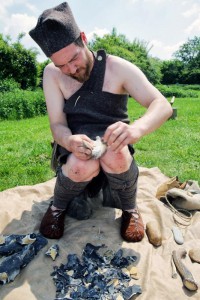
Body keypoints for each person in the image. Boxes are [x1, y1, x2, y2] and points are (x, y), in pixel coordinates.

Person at [29, 2, 172, 242]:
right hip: (75, 152)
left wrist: (136, 129)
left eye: (74, 59)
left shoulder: (117, 68)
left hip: (115, 150)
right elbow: (57, 124)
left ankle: (129, 210)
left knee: (114, 154)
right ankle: (57, 208)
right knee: (81, 163)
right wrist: (68, 140)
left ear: (83, 38)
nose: (70, 69)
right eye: (60, 64)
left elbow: (162, 105)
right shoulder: (52, 74)